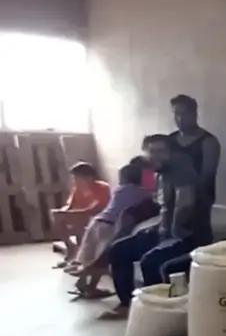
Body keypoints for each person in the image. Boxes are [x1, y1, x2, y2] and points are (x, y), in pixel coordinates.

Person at [101, 134, 213, 320]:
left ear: (171, 152)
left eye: (161, 151)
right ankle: (127, 305)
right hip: (165, 228)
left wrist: (167, 233)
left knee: (151, 261)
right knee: (119, 249)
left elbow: (184, 204)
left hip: (189, 233)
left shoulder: (182, 169)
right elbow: (159, 200)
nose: (156, 156)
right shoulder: (157, 172)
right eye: (151, 151)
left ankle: (156, 313)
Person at [69, 163, 153, 299]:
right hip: (110, 225)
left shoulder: (119, 189)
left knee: (90, 255)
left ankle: (83, 281)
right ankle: (88, 282)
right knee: (103, 258)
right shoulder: (140, 191)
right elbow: (152, 193)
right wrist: (149, 174)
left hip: (97, 221)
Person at [51, 162, 111, 268]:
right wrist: (62, 211)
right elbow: (70, 205)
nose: (75, 181)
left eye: (77, 178)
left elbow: (96, 208)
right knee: (57, 217)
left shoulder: (103, 188)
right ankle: (70, 248)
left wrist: (73, 213)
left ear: (89, 177)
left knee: (81, 218)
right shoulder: (77, 188)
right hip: (81, 214)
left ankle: (80, 257)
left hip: (98, 217)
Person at [169, 94, 221, 203]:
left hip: (199, 203)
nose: (180, 119)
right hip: (171, 201)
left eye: (184, 114)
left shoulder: (208, 142)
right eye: (176, 114)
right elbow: (156, 169)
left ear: (194, 114)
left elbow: (206, 177)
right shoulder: (169, 140)